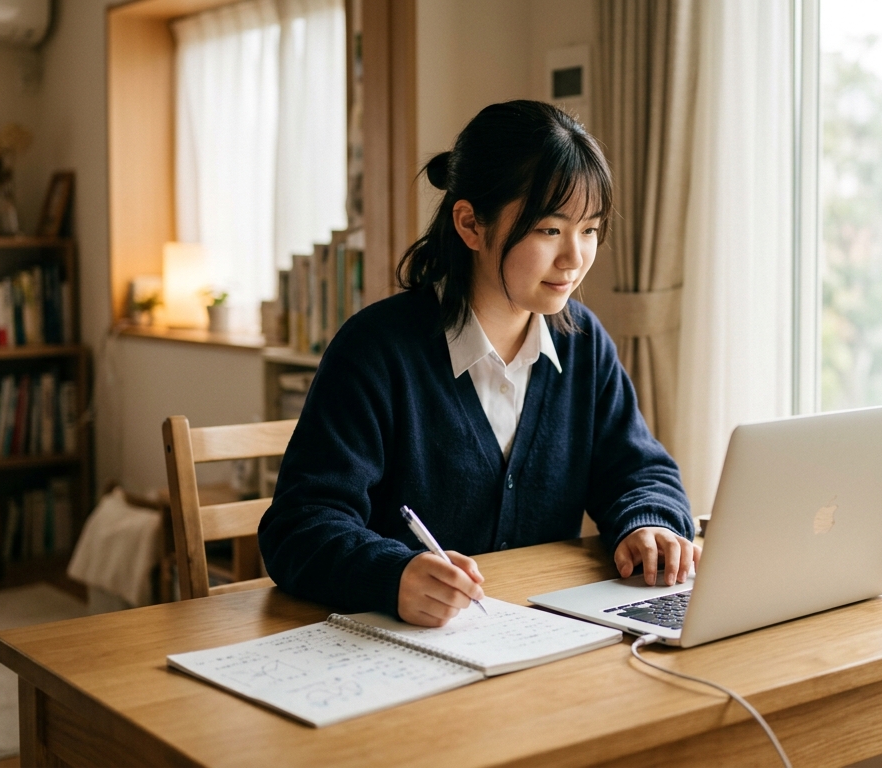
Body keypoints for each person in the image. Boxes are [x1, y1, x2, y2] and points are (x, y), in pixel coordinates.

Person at [259, 100, 698, 627]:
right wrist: (392, 574)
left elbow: (640, 470)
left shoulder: (583, 344)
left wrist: (650, 524)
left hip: (540, 638)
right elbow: (299, 525)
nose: (574, 259)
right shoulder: (376, 350)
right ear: (469, 224)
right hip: (402, 646)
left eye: (590, 230)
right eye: (549, 230)